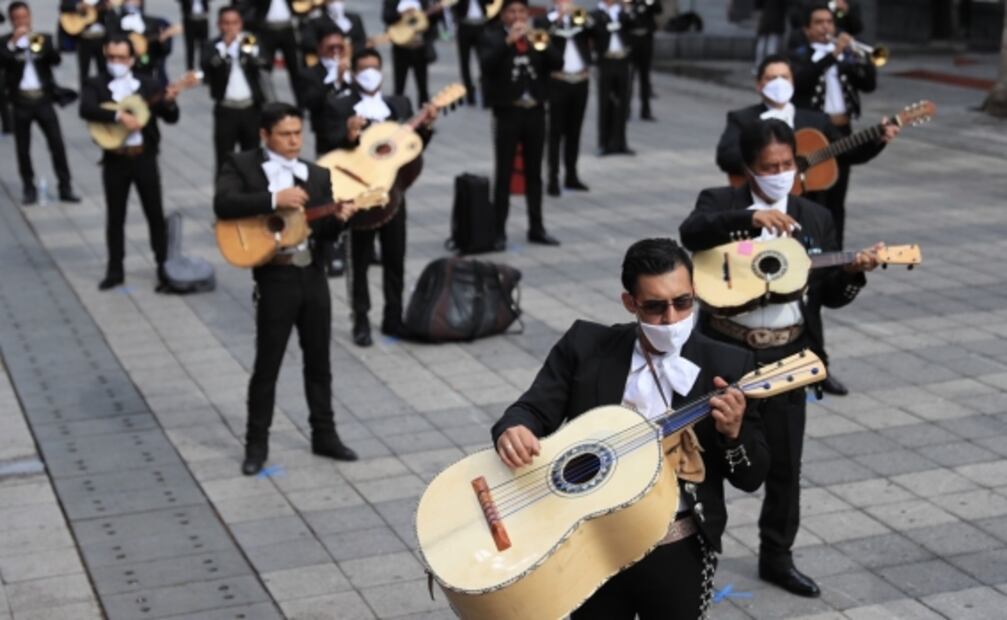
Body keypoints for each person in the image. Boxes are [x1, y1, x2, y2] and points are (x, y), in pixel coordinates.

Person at [492, 237, 770, 619]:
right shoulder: (586, 344)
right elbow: (531, 409)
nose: (672, 319)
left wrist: (733, 432)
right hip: (590, 541)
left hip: (676, 543)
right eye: (655, 307)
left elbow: (752, 476)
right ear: (630, 303)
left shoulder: (728, 363)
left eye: (683, 302)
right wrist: (515, 428)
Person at [680, 119, 882, 599]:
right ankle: (695, 553)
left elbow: (830, 297)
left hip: (788, 352)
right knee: (708, 456)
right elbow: (692, 232)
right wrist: (749, 220)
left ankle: (777, 556)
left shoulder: (814, 216)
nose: (778, 173)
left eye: (787, 165)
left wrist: (854, 273)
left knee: (785, 461)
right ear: (749, 168)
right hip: (725, 351)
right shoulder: (720, 202)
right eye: (768, 167)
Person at [714, 54, 898, 396]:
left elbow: (844, 153)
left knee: (811, 289)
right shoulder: (742, 119)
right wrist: (765, 153)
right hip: (757, 220)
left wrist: (878, 139)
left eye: (784, 75)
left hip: (808, 213)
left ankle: (815, 363)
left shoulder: (815, 119)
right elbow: (724, 156)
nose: (779, 82)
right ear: (759, 83)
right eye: (771, 77)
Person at [214, 102, 360, 475]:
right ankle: (256, 443)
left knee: (319, 361)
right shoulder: (242, 165)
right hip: (274, 277)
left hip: (311, 273)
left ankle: (324, 435)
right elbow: (224, 203)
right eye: (285, 134)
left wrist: (339, 220)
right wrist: (272, 200)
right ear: (265, 136)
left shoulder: (316, 175)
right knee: (268, 365)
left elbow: (323, 232)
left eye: (298, 133)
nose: (295, 141)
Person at [320, 48, 436, 347]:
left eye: (375, 67)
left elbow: (413, 145)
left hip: (394, 192)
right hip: (360, 195)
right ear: (355, 73)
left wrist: (427, 125)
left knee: (395, 257)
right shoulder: (340, 105)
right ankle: (360, 319)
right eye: (364, 68)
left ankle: (393, 317)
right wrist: (348, 135)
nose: (370, 73)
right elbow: (329, 145)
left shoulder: (398, 104)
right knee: (358, 260)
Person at [80, 34, 180, 291]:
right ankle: (115, 270)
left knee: (154, 213)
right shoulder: (96, 83)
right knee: (116, 216)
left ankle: (163, 266)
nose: (116, 62)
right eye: (111, 57)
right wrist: (118, 115)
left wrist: (169, 101)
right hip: (115, 158)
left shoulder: (148, 84)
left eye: (122, 58)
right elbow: (86, 109)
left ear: (132, 59)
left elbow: (170, 117)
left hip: (143, 156)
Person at [789, 0, 877, 247]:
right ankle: (806, 248)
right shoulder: (799, 55)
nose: (825, 27)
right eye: (819, 22)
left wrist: (861, 59)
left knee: (837, 197)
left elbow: (869, 85)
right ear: (807, 29)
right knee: (812, 197)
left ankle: (835, 254)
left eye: (829, 21)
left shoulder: (844, 56)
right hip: (811, 134)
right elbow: (801, 82)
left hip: (841, 130)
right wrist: (832, 56)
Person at [480, 0, 563, 249]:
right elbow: (486, 65)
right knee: (504, 173)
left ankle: (536, 227)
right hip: (508, 112)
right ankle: (499, 231)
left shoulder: (537, 36)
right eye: (512, 12)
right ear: (503, 15)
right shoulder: (492, 37)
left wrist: (543, 43)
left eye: (521, 12)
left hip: (535, 111)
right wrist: (508, 42)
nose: (517, 17)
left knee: (535, 173)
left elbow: (557, 62)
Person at [0, 2, 81, 206]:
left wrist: (39, 46)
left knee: (57, 144)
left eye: (25, 17)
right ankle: (29, 187)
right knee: (23, 148)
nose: (22, 22)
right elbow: (4, 61)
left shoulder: (42, 38)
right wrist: (14, 44)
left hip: (43, 100)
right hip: (20, 101)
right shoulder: (4, 42)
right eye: (17, 19)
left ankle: (65, 186)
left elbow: (54, 60)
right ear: (11, 21)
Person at [202, 6, 270, 171]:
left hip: (250, 108)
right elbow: (208, 70)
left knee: (253, 156)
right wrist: (226, 49)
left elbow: (264, 62)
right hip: (226, 109)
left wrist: (245, 51)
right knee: (225, 159)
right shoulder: (213, 45)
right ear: (219, 25)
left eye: (235, 23)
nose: (231, 27)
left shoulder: (249, 40)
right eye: (226, 23)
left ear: (241, 24)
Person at [539, 0, 591, 197]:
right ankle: (553, 177)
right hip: (557, 81)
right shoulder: (544, 21)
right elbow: (542, 43)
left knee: (574, 130)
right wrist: (558, 20)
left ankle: (572, 174)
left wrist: (581, 19)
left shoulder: (579, 18)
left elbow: (595, 32)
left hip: (580, 80)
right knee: (555, 132)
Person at [591, 0, 635, 155]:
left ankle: (621, 142)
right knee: (605, 102)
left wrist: (628, 10)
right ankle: (604, 143)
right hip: (606, 61)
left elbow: (633, 27)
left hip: (622, 59)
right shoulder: (595, 14)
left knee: (623, 102)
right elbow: (595, 32)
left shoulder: (622, 12)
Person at [301, 27, 351, 156]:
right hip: (326, 134)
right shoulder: (309, 73)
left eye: (339, 46)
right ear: (319, 48)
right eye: (331, 47)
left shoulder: (353, 68)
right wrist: (336, 81)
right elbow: (311, 102)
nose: (336, 50)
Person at [239, 0, 301, 105]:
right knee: (263, 68)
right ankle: (267, 103)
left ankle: (301, 105)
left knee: (296, 69)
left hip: (288, 29)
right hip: (266, 30)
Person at [382, 0, 441, 106]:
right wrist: (402, 13)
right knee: (399, 85)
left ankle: (424, 114)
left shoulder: (423, 2)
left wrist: (437, 12)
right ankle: (398, 112)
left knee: (422, 85)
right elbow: (387, 17)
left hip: (419, 47)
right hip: (400, 47)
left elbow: (430, 21)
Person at [60, 0, 118, 89]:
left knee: (103, 69)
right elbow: (64, 6)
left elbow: (112, 15)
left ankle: (104, 93)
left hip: (101, 38)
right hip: (84, 39)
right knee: (84, 70)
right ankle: (85, 95)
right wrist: (79, 6)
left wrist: (108, 8)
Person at [451, 0, 493, 105]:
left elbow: (491, 3)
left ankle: (486, 95)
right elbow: (452, 5)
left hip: (481, 26)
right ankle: (470, 96)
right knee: (464, 63)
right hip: (464, 25)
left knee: (485, 61)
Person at [627, 0, 661, 120]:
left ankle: (645, 111)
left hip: (646, 40)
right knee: (628, 77)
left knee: (645, 77)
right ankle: (626, 110)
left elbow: (658, 9)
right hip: (631, 40)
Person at [302, 0, 367, 54]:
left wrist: (351, 50)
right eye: (332, 1)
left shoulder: (354, 18)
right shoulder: (316, 21)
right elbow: (309, 42)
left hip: (352, 56)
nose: (336, 3)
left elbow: (361, 40)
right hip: (327, 56)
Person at [178, 0, 211, 71]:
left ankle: (204, 68)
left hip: (203, 19)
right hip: (190, 19)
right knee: (190, 46)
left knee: (204, 46)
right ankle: (190, 69)